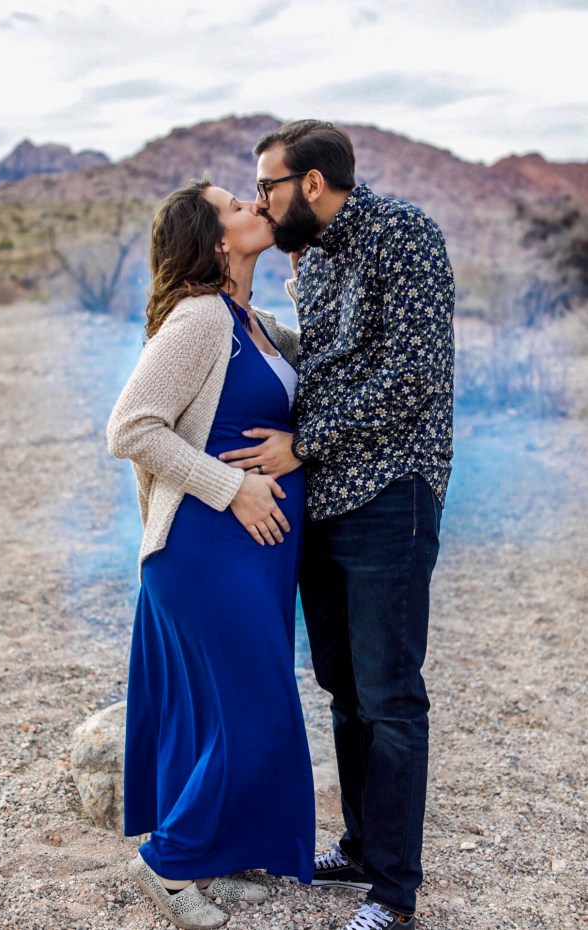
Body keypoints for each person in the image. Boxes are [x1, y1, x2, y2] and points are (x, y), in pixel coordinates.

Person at [219, 120, 454, 930]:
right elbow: (322, 365)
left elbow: (411, 375)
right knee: (344, 689)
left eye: (267, 185)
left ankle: (394, 895)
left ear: (312, 183)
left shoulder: (405, 234)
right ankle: (360, 847)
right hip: (324, 500)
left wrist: (303, 443)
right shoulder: (310, 259)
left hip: (392, 492)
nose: (260, 201)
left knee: (390, 695)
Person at [106, 177, 315, 930]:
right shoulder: (199, 317)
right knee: (256, 711)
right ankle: (167, 862)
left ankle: (216, 851)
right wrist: (232, 488)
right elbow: (130, 427)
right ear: (216, 240)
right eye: (235, 205)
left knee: (225, 710)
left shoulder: (254, 321)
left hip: (255, 555)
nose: (254, 206)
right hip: (206, 549)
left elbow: (323, 387)